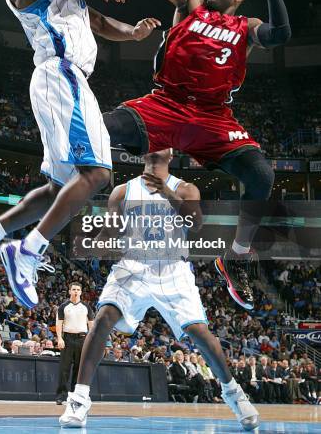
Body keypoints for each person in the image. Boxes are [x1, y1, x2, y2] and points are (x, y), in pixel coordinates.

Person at [102, 0, 291, 310]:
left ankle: (237, 251)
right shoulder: (190, 2)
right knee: (101, 128)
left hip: (211, 116)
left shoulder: (247, 27)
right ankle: (65, 191)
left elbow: (281, 35)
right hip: (167, 103)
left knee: (260, 173)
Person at [0, 0, 159, 308]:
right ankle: (29, 250)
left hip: (66, 79)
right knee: (96, 175)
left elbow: (96, 20)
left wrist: (132, 33)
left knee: (59, 188)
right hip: (60, 73)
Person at [60, 149, 259, 430]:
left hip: (172, 267)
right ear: (143, 153)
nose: (155, 146)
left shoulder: (186, 188)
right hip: (133, 265)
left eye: (162, 142)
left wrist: (166, 192)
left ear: (171, 153)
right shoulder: (122, 191)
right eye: (150, 142)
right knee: (104, 317)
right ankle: (79, 400)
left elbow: (197, 223)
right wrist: (93, 242)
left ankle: (234, 394)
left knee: (200, 334)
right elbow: (111, 232)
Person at [55, 282, 94, 404]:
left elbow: (91, 325)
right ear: (69, 291)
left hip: (82, 339)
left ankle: (75, 396)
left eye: (78, 289)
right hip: (67, 339)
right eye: (74, 289)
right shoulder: (63, 306)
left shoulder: (86, 307)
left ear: (81, 292)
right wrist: (59, 338)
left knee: (79, 370)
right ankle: (61, 396)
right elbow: (59, 324)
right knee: (64, 369)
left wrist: (91, 341)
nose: (76, 291)